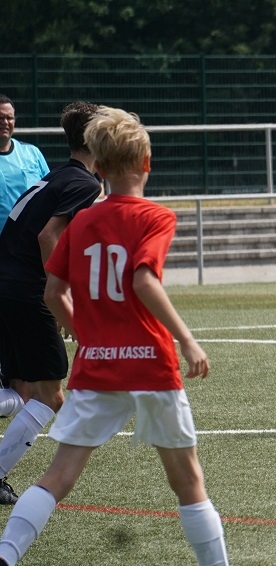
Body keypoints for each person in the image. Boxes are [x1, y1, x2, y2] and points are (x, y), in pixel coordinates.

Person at [0, 107, 229, 566]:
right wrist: (186, 339)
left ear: (99, 167)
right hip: (151, 365)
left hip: (98, 364)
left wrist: (88, 335)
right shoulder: (156, 216)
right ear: (147, 162)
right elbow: (144, 280)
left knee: (56, 477)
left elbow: (53, 292)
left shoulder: (83, 220)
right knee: (188, 483)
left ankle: (6, 555)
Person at [0, 102, 105, 505]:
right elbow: (48, 237)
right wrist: (58, 292)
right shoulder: (84, 184)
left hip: (9, 285)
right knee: (50, 395)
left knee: (25, 390)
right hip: (26, 290)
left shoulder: (58, 175)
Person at [0, 95, 50, 233]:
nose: (5, 122)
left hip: (30, 239)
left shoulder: (32, 153)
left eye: (9, 118)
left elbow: (50, 193)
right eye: (0, 118)